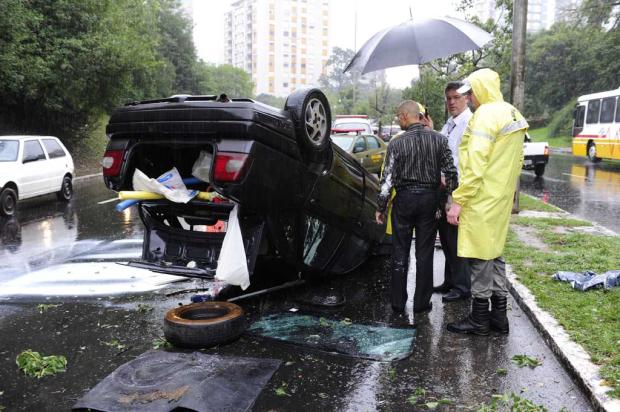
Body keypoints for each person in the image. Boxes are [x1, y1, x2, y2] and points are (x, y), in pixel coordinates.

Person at [446, 68, 528, 336]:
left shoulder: (485, 116)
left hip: (481, 197)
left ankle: (480, 319)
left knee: (480, 257)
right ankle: (499, 317)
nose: (470, 98)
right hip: (500, 196)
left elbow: (475, 166)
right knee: (495, 254)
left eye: (471, 92)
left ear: (480, 89)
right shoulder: (511, 112)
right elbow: (517, 161)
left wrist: (458, 200)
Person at [376, 100, 457, 315]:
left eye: (398, 117)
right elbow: (451, 174)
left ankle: (397, 302)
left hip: (404, 201)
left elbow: (387, 180)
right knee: (425, 253)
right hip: (430, 201)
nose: (398, 121)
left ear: (405, 116)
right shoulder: (440, 140)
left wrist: (381, 207)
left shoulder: (396, 143)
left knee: (400, 252)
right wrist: (447, 197)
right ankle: (421, 303)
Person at [433, 81, 473, 302]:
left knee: (456, 238)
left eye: (456, 97)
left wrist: (453, 192)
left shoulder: (469, 123)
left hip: (457, 185)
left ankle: (462, 286)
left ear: (466, 97)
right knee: (446, 237)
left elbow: (461, 160)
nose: (451, 102)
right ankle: (449, 280)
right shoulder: (449, 123)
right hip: (444, 185)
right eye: (448, 98)